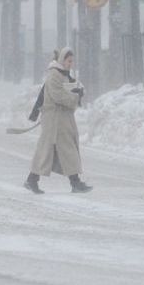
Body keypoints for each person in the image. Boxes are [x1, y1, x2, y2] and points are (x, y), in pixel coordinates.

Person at [25, 47, 92, 194]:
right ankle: (74, 182)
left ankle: (34, 179)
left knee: (59, 150)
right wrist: (75, 96)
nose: (71, 64)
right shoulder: (54, 75)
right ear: (62, 60)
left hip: (62, 120)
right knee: (55, 150)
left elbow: (71, 89)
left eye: (72, 61)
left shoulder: (65, 75)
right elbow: (58, 95)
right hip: (54, 120)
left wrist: (78, 91)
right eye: (69, 61)